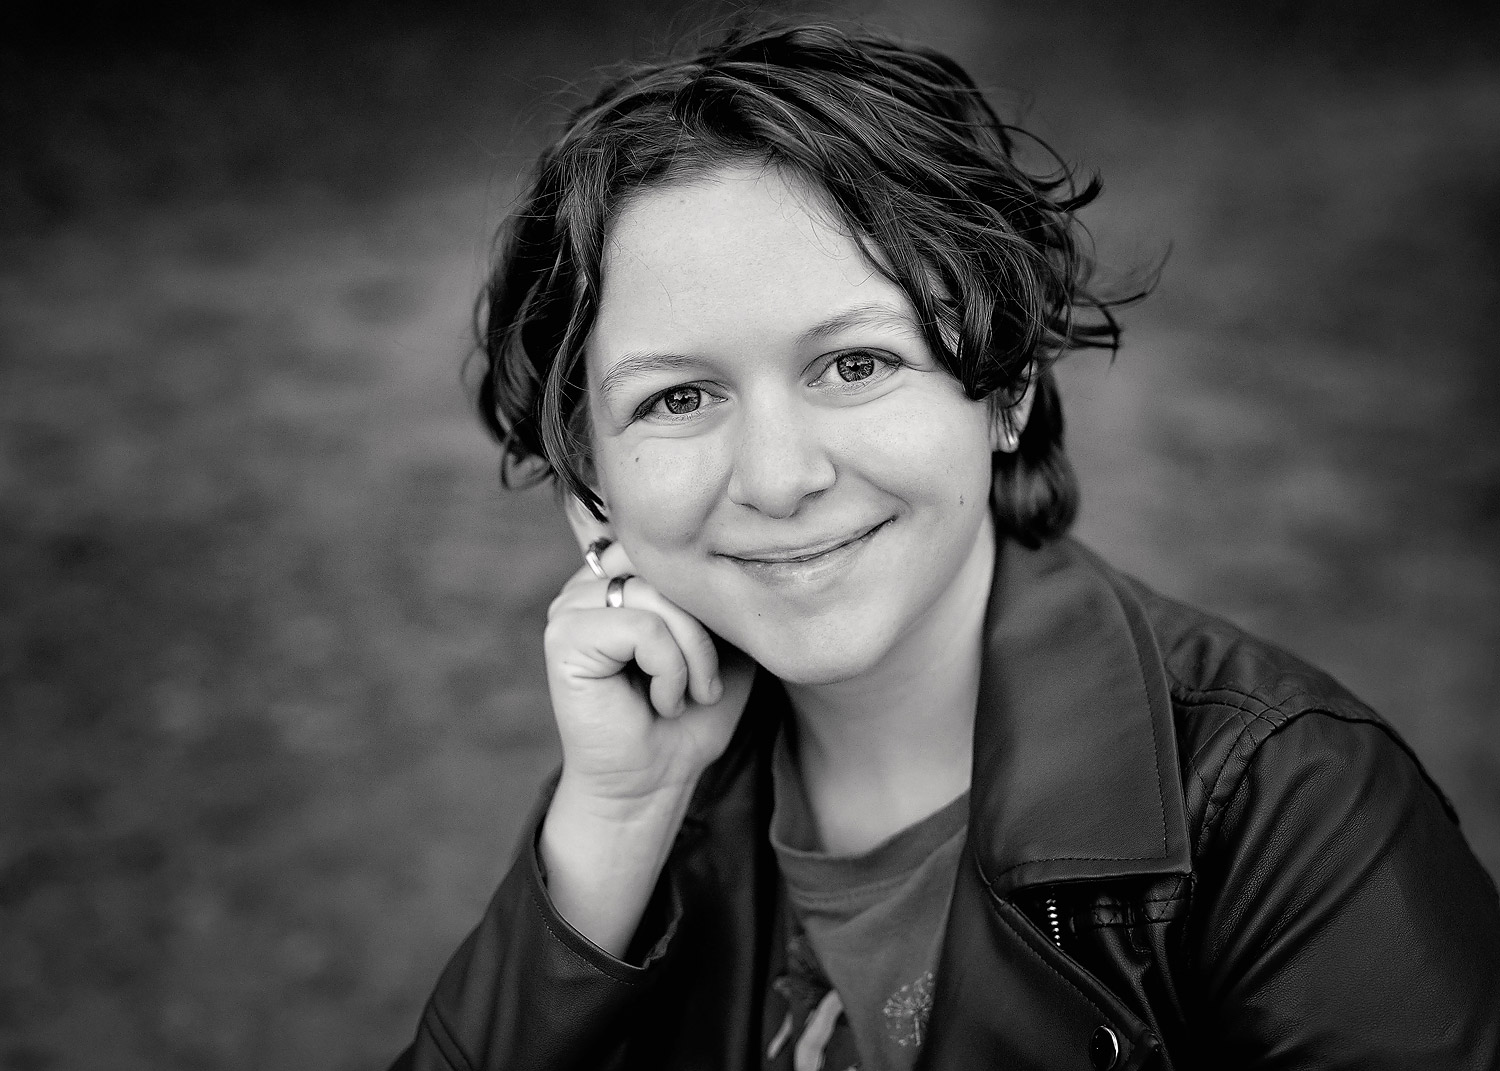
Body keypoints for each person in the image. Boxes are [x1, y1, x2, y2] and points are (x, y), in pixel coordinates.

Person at [389, 22, 1500, 1071]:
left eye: (856, 365)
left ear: (1006, 387)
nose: (778, 477)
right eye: (678, 397)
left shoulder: (1292, 806)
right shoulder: (641, 797)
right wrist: (615, 824)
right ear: (591, 485)